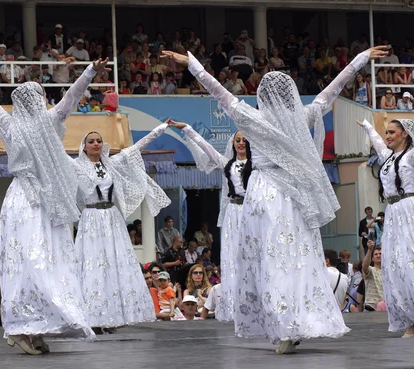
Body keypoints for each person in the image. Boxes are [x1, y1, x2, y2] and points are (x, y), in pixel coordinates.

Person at [161, 45, 388, 354]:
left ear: (264, 97)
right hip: (292, 195)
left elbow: (217, 91)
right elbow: (331, 92)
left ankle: (284, 325)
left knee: (270, 261)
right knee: (296, 259)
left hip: (264, 192)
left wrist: (192, 64)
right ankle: (294, 320)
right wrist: (360, 59)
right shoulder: (302, 116)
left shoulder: (252, 118)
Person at [0, 58, 111, 355]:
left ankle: (35, 325)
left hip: (34, 199)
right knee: (34, 262)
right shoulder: (38, 121)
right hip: (30, 200)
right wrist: (89, 72)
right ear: (35, 100)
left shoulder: (17, 122)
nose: (44, 101)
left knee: (40, 261)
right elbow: (71, 97)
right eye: (40, 96)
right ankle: (22, 325)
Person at [74, 125, 171, 332]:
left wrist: (160, 129)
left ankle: (112, 316)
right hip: (90, 219)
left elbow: (136, 148)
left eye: (98, 140)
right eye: (91, 141)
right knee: (93, 265)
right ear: (84, 147)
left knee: (113, 265)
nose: (96, 144)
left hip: (111, 217)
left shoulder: (111, 164)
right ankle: (93, 317)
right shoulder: (75, 166)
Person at [172, 122, 252, 322]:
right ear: (232, 143)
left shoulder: (258, 163)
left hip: (252, 211)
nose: (241, 143)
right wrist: (187, 129)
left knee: (253, 256)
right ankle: (236, 306)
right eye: (238, 140)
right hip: (234, 212)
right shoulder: (228, 164)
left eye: (244, 140)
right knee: (234, 257)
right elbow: (206, 148)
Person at [357, 118, 414, 337]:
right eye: (386, 132)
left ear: (404, 134)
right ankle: (409, 319)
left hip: (410, 209)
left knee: (409, 263)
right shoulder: (388, 158)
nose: (388, 136)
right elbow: (377, 142)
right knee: (396, 266)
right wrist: (367, 126)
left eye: (392, 132)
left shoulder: (411, 155)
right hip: (393, 213)